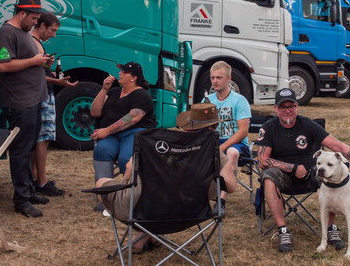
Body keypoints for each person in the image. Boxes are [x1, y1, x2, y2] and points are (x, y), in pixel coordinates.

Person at [96, 103, 237, 251]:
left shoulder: (158, 143)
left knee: (102, 182)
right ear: (212, 129)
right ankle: (149, 237)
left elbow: (130, 168)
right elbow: (231, 187)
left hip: (142, 211)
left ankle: (145, 236)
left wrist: (125, 181)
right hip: (190, 214)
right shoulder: (215, 154)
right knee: (160, 197)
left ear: (188, 126)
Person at [256, 87, 350, 253]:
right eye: (283, 107)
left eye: (291, 106)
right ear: (276, 108)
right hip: (282, 175)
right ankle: (283, 229)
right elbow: (262, 160)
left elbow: (336, 145)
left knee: (333, 173)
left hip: (311, 173)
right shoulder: (269, 127)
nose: (287, 111)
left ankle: (331, 227)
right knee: (268, 178)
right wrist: (293, 168)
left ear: (297, 107)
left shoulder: (307, 124)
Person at [0, 0, 53, 218]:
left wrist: (42, 61)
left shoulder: (23, 33)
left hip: (33, 99)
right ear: (22, 14)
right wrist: (34, 61)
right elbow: (4, 65)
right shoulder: (7, 33)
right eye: (34, 18)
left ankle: (28, 191)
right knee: (20, 151)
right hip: (19, 102)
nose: (35, 23)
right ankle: (20, 199)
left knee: (28, 147)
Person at [30, 12, 77, 197]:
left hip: (41, 94)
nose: (54, 35)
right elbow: (37, 75)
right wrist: (59, 82)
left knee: (39, 139)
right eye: (52, 30)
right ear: (41, 25)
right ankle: (41, 182)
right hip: (42, 96)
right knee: (43, 139)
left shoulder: (35, 43)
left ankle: (36, 178)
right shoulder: (33, 43)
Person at [90, 62, 156, 184]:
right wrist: (104, 89)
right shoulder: (113, 92)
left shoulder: (142, 95)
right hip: (113, 135)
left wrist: (106, 130)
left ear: (134, 78)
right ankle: (105, 193)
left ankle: (131, 194)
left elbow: (133, 118)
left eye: (124, 72)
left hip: (134, 133)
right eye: (120, 71)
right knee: (101, 150)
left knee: (126, 159)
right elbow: (95, 112)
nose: (120, 73)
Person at [202, 61, 251, 183]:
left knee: (231, 152)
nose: (215, 81)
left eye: (219, 77)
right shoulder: (207, 100)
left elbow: (243, 132)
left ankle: (222, 198)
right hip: (213, 142)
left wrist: (222, 147)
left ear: (229, 78)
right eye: (212, 78)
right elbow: (201, 126)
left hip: (237, 144)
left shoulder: (239, 100)